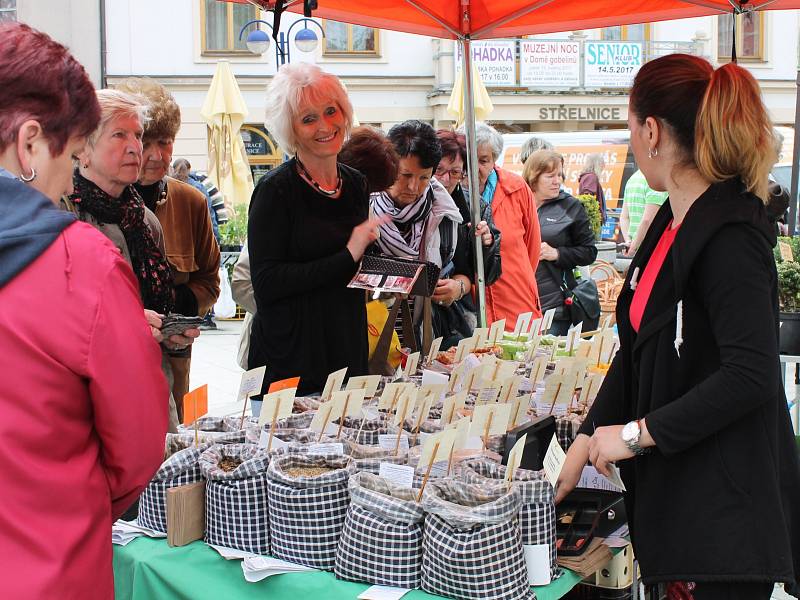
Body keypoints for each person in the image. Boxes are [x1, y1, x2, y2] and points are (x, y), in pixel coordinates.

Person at [556, 54, 800, 598]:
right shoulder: (674, 218)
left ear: (651, 131)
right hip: (682, 496)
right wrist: (584, 440)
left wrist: (635, 436)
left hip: (724, 512)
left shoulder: (731, 233)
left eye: (629, 127)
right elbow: (638, 347)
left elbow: (751, 373)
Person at [0, 23, 167, 599]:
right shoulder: (78, 261)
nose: (67, 180)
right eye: (71, 156)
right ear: (28, 144)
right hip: (51, 563)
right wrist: (78, 496)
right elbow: (141, 443)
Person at [65, 89, 196, 433]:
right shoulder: (61, 212)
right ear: (83, 149)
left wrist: (168, 331)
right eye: (119, 134)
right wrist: (129, 323)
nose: (135, 146)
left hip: (149, 392)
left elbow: (153, 304)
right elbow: (52, 315)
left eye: (137, 134)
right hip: (84, 404)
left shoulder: (144, 220)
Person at [248, 63, 382, 396]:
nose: (325, 125)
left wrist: (381, 262)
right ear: (290, 130)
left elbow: (353, 266)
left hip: (346, 353)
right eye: (308, 119)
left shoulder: (355, 183)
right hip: (290, 363)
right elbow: (266, 284)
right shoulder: (275, 191)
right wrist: (348, 253)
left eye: (330, 111)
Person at [116, 77, 221, 416]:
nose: (157, 155)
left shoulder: (190, 202)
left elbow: (209, 280)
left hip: (173, 367)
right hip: (114, 361)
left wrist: (174, 310)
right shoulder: (99, 200)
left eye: (166, 142)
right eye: (148, 142)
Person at [372, 120, 474, 349]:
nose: (413, 187)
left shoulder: (446, 213)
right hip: (372, 336)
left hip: (430, 335)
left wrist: (455, 289)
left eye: (423, 177)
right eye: (405, 175)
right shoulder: (362, 207)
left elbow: (464, 272)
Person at [466, 122, 541, 328]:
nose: (475, 168)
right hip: (472, 309)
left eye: (483, 160)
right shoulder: (452, 195)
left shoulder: (516, 188)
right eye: (468, 160)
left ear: (494, 160)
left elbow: (532, 248)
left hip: (517, 303)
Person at [435, 128, 502, 335]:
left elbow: (489, 275)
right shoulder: (411, 201)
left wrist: (486, 245)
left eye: (455, 172)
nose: (445, 179)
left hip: (456, 319)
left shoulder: (474, 207)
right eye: (439, 170)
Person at [524, 150, 597, 335]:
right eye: (550, 176)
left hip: (554, 307)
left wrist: (557, 254)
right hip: (518, 299)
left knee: (546, 360)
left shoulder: (571, 206)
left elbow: (589, 251)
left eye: (559, 175)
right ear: (533, 177)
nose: (557, 180)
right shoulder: (518, 203)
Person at [619, 169, 669, 257]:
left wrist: (629, 242)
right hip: (650, 248)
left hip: (633, 247)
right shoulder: (655, 181)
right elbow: (647, 220)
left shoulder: (632, 179)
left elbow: (624, 217)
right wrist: (634, 247)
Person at [578, 152, 607, 223]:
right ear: (597, 164)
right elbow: (588, 199)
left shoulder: (588, 177)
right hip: (592, 221)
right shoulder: (591, 177)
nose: (603, 167)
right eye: (602, 164)